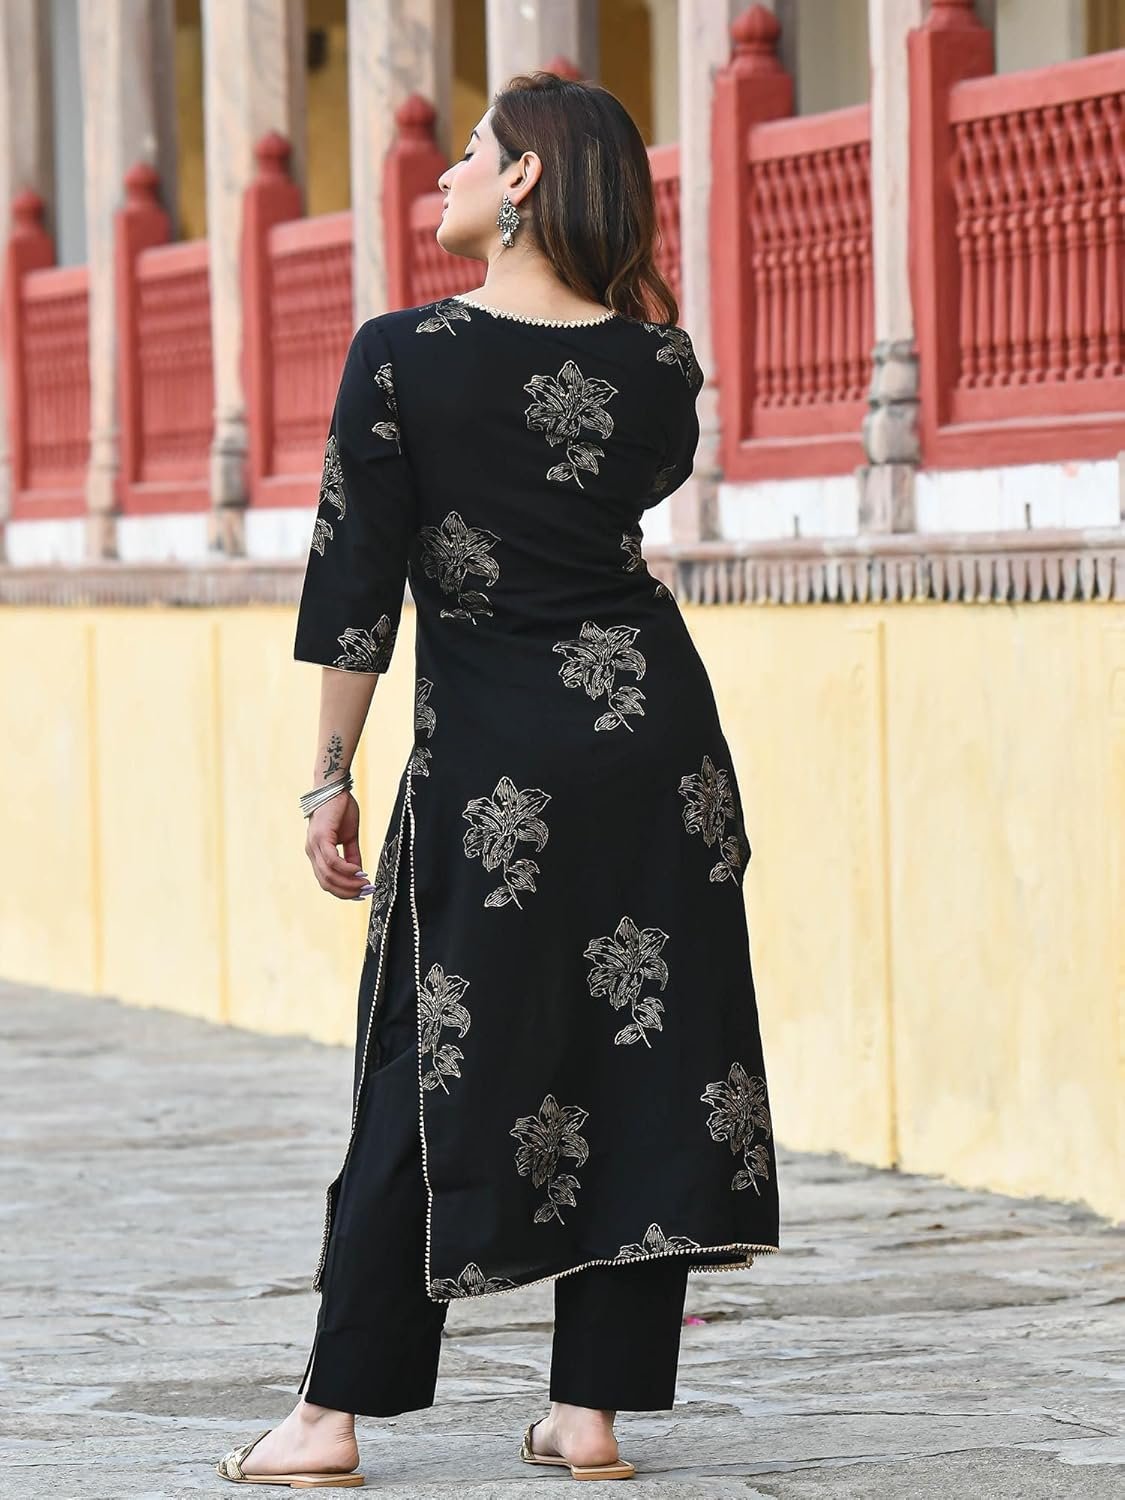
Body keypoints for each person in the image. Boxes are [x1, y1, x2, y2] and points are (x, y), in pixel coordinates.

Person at [216, 69, 780, 1489]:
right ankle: (589, 1414)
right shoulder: (661, 365)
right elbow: (619, 500)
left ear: (523, 177)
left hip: (494, 768)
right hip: (654, 746)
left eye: (470, 151)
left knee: (426, 1065)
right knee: (647, 1055)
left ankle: (329, 1417)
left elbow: (357, 587)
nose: (447, 172)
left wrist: (325, 776)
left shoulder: (400, 356)